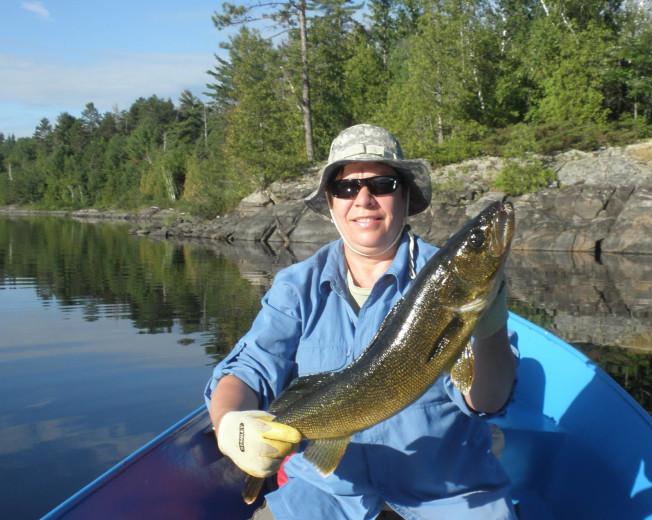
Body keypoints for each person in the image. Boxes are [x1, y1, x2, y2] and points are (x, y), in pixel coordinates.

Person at [205, 124, 518, 520]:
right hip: (325, 498)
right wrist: (231, 425)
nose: (364, 199)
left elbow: (487, 401)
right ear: (332, 204)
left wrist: (489, 329)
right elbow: (247, 372)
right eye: (346, 188)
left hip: (448, 499)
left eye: (382, 184)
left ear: (405, 196)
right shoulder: (296, 286)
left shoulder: (445, 283)